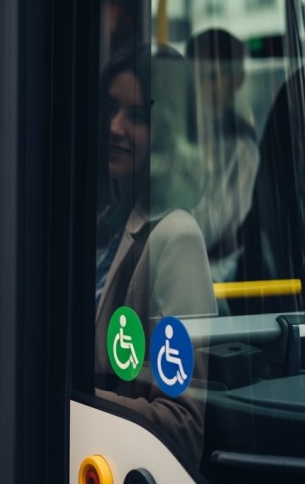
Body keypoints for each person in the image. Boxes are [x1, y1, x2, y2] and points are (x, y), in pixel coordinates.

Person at [93, 45, 218, 465]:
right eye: (111, 109)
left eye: (137, 116)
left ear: (166, 129)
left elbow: (181, 422)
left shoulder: (176, 237)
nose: (115, 127)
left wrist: (75, 398)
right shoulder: (110, 221)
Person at [185, 29, 260, 282]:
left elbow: (206, 230)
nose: (202, 84)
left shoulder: (240, 148)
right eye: (196, 74)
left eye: (214, 76)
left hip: (213, 278)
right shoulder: (172, 131)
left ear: (237, 81)